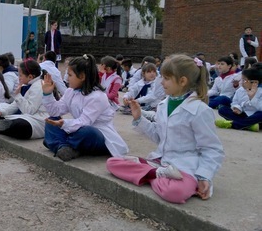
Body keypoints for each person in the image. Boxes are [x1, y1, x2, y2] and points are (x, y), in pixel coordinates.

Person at [106, 54, 225, 204]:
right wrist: (139, 118)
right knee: (112, 163)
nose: (161, 82)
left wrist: (204, 176)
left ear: (182, 81)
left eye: (166, 78)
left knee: (175, 192)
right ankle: (157, 173)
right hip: (161, 162)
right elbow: (159, 136)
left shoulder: (200, 110)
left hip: (184, 167)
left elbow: (212, 149)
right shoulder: (163, 105)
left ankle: (149, 174)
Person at [42, 54, 129, 162]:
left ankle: (57, 143)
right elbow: (55, 111)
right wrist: (47, 94)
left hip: (97, 134)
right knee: (51, 121)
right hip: (77, 128)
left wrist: (64, 123)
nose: (67, 78)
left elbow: (85, 122)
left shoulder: (97, 97)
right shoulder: (71, 92)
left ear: (82, 76)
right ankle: (63, 147)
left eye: (70, 75)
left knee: (88, 132)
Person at [0, 59, 49, 139]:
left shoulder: (39, 86)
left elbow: (29, 110)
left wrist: (18, 95)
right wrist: (0, 112)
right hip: (28, 117)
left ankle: (8, 127)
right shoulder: (27, 85)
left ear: (30, 76)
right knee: (2, 112)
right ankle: (7, 126)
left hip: (39, 120)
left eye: (20, 75)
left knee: (21, 126)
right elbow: (15, 105)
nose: (18, 78)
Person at [216, 67, 262, 132]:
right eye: (242, 79)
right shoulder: (240, 90)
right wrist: (237, 108)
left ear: (255, 82)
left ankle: (233, 124)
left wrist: (252, 97)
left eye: (244, 80)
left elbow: (260, 108)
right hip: (242, 114)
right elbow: (234, 102)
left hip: (255, 116)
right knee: (222, 109)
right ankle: (249, 125)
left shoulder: (260, 92)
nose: (241, 82)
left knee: (260, 115)